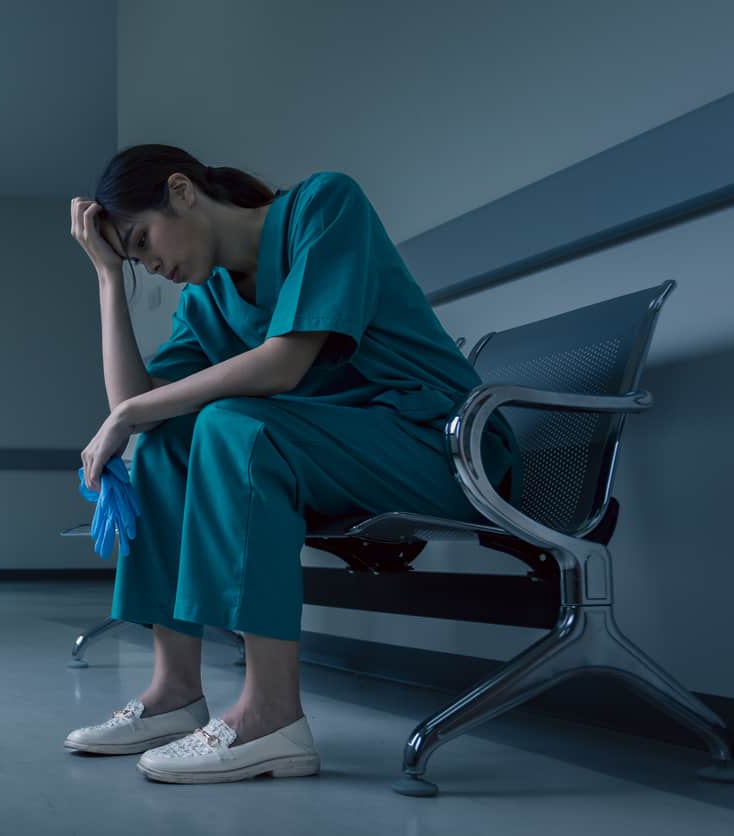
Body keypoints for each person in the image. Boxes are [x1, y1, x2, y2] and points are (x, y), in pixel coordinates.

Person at [62, 144, 520, 784]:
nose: (151, 264)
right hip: (334, 460)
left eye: (142, 241)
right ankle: (174, 691)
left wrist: (127, 416)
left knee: (231, 425)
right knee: (167, 441)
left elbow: (283, 364)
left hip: (439, 449)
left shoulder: (325, 205)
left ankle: (272, 714)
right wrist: (110, 280)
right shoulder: (209, 299)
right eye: (135, 257)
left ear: (183, 191)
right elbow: (136, 407)